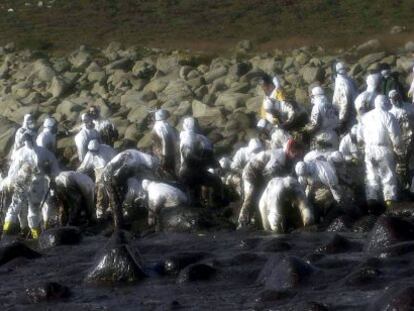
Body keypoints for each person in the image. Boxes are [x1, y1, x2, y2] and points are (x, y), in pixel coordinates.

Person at [238, 139, 302, 228]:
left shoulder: (288, 160)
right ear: (290, 149)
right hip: (250, 173)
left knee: (261, 197)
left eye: (298, 153)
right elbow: (269, 172)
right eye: (295, 152)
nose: (296, 155)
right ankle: (242, 222)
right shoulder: (279, 156)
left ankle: (256, 220)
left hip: (260, 174)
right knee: (250, 196)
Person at [359, 95, 403, 210]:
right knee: (388, 176)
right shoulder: (388, 115)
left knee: (371, 175)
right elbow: (395, 135)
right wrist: (399, 151)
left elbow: (360, 135)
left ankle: (372, 203)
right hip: (383, 149)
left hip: (369, 149)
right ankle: (390, 203)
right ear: (385, 103)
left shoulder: (365, 117)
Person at [102, 149, 160, 228]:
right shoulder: (134, 161)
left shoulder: (134, 155)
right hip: (112, 178)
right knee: (117, 203)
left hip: (111, 175)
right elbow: (119, 176)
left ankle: (118, 222)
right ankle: (119, 227)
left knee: (117, 202)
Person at [179, 117, 224, 207]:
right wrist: (217, 165)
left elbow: (187, 157)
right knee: (216, 182)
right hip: (197, 171)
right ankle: (215, 206)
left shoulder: (185, 138)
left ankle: (200, 206)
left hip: (187, 172)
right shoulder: (203, 139)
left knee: (192, 194)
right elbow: (210, 157)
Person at [77, 139, 117, 220]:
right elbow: (84, 166)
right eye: (92, 151)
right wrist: (76, 173)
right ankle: (100, 212)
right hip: (98, 172)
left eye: (95, 151)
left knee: (111, 190)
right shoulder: (89, 154)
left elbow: (115, 158)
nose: (93, 152)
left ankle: (111, 208)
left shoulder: (107, 149)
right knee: (100, 191)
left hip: (109, 169)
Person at [388, 90, 413, 190]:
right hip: (401, 144)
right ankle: (406, 186)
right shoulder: (390, 114)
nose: (396, 100)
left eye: (397, 97)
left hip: (413, 140)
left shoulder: (410, 107)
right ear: (390, 100)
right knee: (402, 166)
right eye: (393, 99)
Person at [151, 109, 178, 178]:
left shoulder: (157, 127)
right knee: (172, 170)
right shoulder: (168, 125)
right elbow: (175, 138)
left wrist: (162, 154)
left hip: (162, 154)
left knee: (164, 171)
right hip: (172, 153)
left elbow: (161, 141)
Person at [332, 62, 358, 132]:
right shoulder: (349, 80)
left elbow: (345, 103)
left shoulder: (342, 83)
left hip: (349, 119)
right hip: (353, 114)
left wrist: (342, 120)